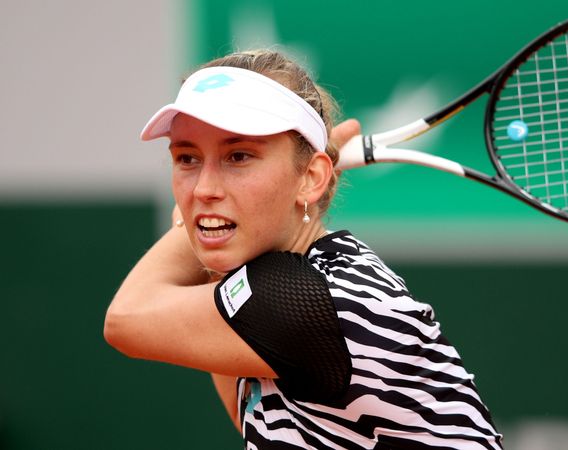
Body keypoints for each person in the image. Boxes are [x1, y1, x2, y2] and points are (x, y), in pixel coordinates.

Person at [103, 49, 503, 449]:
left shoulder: (296, 299)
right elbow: (253, 422)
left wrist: (191, 222)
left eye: (238, 156)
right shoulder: (312, 275)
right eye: (188, 158)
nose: (203, 188)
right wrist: (217, 226)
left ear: (312, 178)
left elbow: (126, 320)